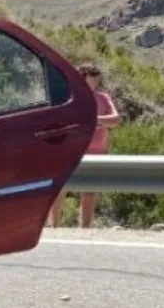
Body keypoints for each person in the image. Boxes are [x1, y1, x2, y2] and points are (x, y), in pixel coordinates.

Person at [47, 63, 122, 228]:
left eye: (97, 73)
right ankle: (55, 225)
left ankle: (85, 228)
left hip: (96, 151)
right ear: (82, 76)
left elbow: (115, 119)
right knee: (61, 189)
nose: (96, 77)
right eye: (92, 73)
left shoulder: (103, 98)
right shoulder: (70, 96)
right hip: (73, 149)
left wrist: (94, 120)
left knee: (89, 191)